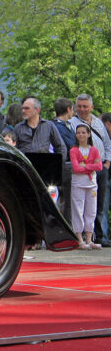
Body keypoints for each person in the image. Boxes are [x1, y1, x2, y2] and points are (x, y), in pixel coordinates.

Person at [71, 94, 111, 247]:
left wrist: (107, 163)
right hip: (81, 174)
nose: (82, 109)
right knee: (81, 206)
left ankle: (101, 236)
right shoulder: (72, 123)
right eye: (79, 106)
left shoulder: (98, 123)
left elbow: (107, 143)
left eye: (85, 106)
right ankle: (85, 238)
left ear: (91, 107)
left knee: (101, 204)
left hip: (101, 168)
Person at [70, 123, 102, 249]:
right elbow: (76, 167)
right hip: (78, 183)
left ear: (89, 134)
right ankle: (79, 239)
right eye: (78, 132)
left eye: (83, 132)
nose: (81, 135)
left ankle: (89, 239)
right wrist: (91, 166)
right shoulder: (74, 150)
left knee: (91, 210)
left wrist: (85, 166)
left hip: (91, 184)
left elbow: (99, 166)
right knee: (78, 209)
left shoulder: (94, 150)